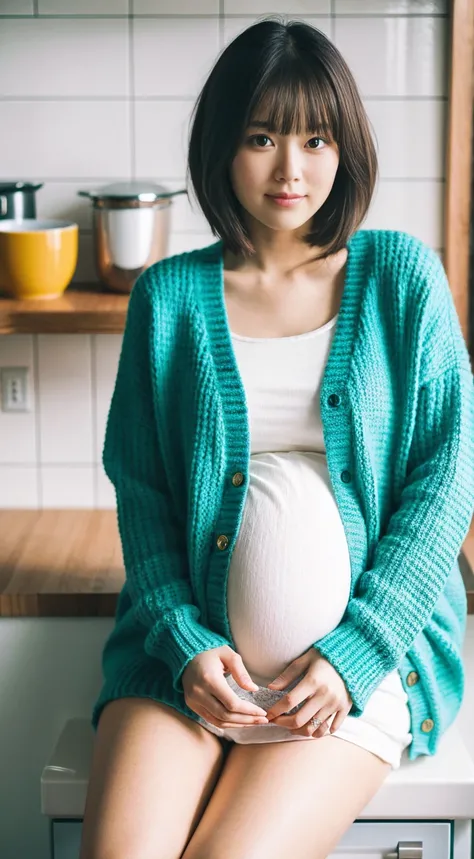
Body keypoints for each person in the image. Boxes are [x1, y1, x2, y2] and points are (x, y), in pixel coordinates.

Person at [79, 17, 474, 859]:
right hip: (181, 665)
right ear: (224, 145)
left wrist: (353, 653)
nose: (291, 169)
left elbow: (446, 483)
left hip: (355, 674)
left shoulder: (404, 277)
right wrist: (185, 644)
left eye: (316, 138)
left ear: (347, 147)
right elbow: (143, 500)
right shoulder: (169, 299)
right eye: (262, 137)